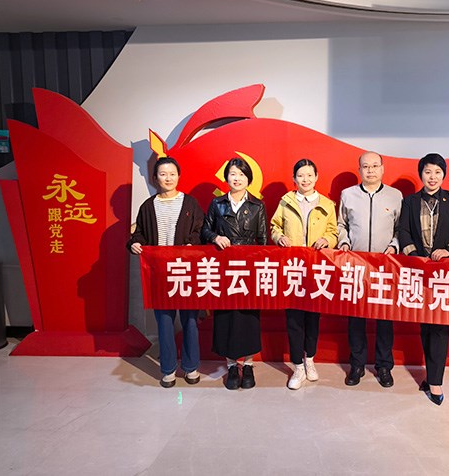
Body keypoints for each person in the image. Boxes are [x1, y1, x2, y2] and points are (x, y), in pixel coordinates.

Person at [127, 156, 204, 388]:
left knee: (190, 321)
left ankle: (191, 366)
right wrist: (134, 243)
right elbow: (139, 233)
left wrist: (192, 244)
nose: (168, 178)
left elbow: (200, 232)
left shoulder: (190, 203)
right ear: (155, 178)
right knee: (164, 321)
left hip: (186, 271)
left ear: (178, 176)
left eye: (172, 174)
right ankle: (168, 369)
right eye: (163, 174)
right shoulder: (148, 206)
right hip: (159, 272)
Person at [398, 153, 449, 406]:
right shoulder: (410, 201)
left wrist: (448, 250)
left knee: (439, 325)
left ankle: (436, 381)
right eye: (428, 172)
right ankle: (430, 374)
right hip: (418, 270)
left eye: (437, 172)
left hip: (443, 272)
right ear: (421, 174)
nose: (432, 177)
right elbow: (403, 231)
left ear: (444, 175)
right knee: (425, 326)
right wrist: (414, 256)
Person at [270, 159, 338, 390]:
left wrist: (327, 240)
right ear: (294, 179)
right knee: (293, 319)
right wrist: (279, 237)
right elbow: (275, 226)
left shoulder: (327, 204)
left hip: (317, 269)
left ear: (316, 177)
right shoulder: (286, 201)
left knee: (313, 318)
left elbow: (333, 232)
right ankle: (297, 366)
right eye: (301, 176)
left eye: (309, 175)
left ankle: (310, 359)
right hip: (292, 269)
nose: (305, 180)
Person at [201, 157, 268, 390]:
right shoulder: (217, 204)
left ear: (248, 178)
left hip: (249, 270)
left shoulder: (258, 206)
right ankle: (231, 365)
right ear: (226, 177)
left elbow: (263, 240)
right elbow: (204, 230)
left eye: (241, 174)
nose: (237, 178)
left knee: (248, 317)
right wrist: (215, 237)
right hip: (225, 268)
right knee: (226, 316)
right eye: (232, 174)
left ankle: (248, 365)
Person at [337, 151, 402, 388]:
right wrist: (344, 242)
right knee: (356, 319)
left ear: (383, 169)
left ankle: (384, 366)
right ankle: (357, 365)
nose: (371, 170)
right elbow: (341, 224)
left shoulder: (395, 196)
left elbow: (401, 229)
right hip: (356, 266)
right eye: (366, 166)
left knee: (384, 319)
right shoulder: (348, 194)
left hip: (385, 267)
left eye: (375, 166)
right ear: (359, 170)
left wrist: (394, 246)